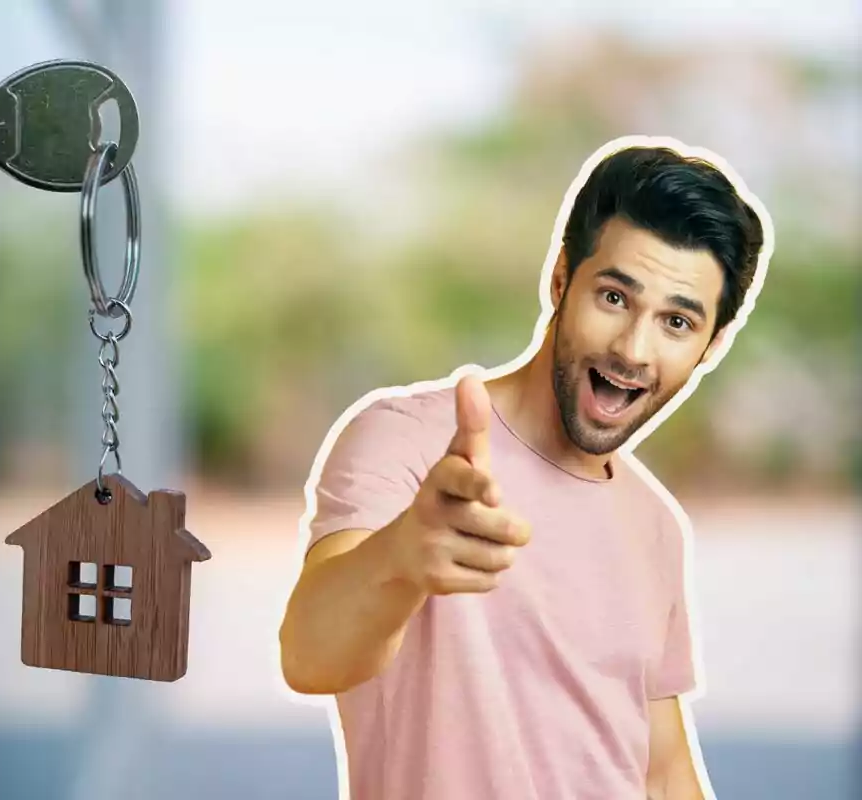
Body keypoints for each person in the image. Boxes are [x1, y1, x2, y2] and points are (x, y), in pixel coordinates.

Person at [278, 141, 769, 800]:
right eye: (615, 297)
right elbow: (310, 657)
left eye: (677, 322)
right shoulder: (405, 439)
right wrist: (402, 552)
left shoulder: (655, 524)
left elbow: (662, 770)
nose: (633, 349)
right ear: (561, 279)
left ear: (709, 347)